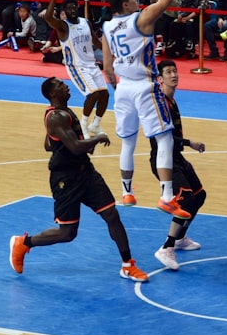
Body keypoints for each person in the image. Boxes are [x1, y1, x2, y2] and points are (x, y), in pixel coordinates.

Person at [8, 77, 148, 283]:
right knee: (67, 233)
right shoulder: (56, 117)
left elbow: (50, 144)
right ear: (53, 94)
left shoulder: (65, 112)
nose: (65, 85)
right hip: (66, 179)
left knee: (111, 214)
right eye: (60, 85)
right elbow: (73, 147)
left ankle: (128, 264)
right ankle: (24, 243)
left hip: (86, 173)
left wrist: (78, 143)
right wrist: (97, 138)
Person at [102, 0, 203, 218]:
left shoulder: (107, 27)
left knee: (128, 142)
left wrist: (117, 90)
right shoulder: (141, 18)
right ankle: (167, 195)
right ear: (125, 4)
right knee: (164, 139)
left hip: (123, 89)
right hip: (145, 86)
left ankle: (126, 192)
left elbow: (108, 68)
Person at [149, 60, 208, 272]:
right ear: (160, 78)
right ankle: (166, 247)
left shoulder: (171, 100)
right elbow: (163, 136)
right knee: (186, 202)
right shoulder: (160, 103)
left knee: (199, 196)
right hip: (164, 161)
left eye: (175, 71)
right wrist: (189, 143)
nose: (174, 75)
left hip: (177, 158)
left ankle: (180, 239)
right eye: (168, 72)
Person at [42, 0, 110, 143]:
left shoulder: (85, 22)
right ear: (64, 11)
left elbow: (94, 40)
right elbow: (48, 18)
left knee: (104, 94)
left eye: (74, 7)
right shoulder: (63, 26)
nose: (72, 10)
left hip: (91, 64)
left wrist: (108, 52)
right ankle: (84, 125)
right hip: (76, 67)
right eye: (69, 8)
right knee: (92, 94)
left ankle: (96, 124)